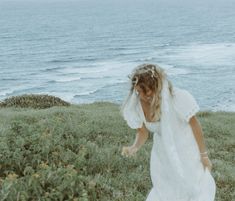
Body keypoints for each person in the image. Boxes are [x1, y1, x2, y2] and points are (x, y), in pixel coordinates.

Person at [121, 64, 216, 201]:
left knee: (191, 187)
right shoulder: (136, 103)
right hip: (162, 153)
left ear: (154, 89)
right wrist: (134, 147)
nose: (140, 96)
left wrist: (204, 155)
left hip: (186, 150)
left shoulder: (178, 98)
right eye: (137, 91)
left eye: (144, 92)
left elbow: (195, 126)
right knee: (165, 190)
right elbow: (142, 132)